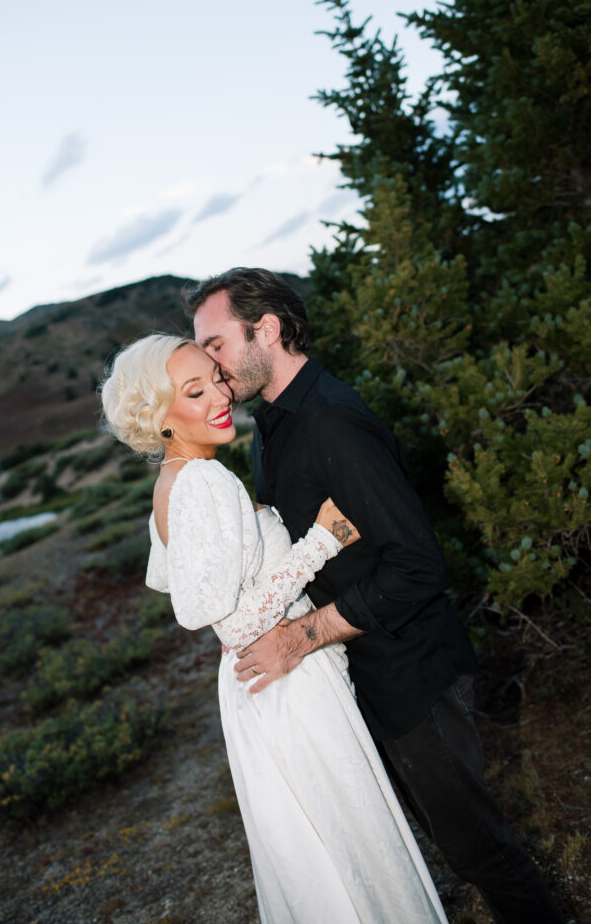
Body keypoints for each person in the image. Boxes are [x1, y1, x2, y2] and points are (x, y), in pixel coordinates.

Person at [186, 267, 564, 924]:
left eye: (215, 344)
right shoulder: (271, 426)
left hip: (411, 677)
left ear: (266, 330)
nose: (209, 365)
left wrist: (299, 638)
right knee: (431, 843)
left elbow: (417, 565)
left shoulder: (332, 422)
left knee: (479, 851)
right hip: (357, 679)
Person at [101, 333, 448, 924]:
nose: (219, 395)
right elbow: (229, 622)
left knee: (314, 851)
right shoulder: (208, 483)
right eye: (194, 391)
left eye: (215, 378)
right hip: (285, 683)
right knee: (351, 838)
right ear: (160, 416)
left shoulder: (171, 483)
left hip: (255, 693)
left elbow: (175, 579)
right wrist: (321, 541)